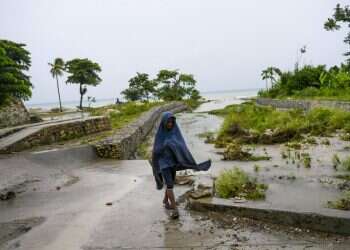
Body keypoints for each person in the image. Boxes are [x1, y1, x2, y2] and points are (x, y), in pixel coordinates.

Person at [151, 112, 211, 219]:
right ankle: (174, 209)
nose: (170, 124)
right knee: (169, 184)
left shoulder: (175, 133)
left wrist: (174, 147)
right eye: (168, 122)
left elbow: (181, 146)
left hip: (173, 163)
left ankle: (165, 201)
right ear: (164, 122)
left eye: (172, 122)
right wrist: (165, 146)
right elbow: (156, 151)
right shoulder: (160, 135)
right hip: (163, 163)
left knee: (171, 184)